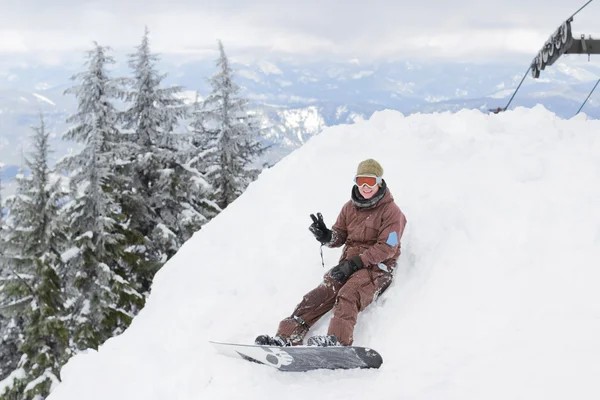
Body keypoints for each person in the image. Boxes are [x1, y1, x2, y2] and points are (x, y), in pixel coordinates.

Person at [255, 159, 407, 347]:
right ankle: (287, 336)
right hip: (349, 265)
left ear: (379, 182)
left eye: (370, 181)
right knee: (321, 292)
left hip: (378, 269)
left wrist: (356, 263)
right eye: (361, 182)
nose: (366, 187)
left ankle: (337, 341)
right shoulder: (349, 207)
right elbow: (340, 235)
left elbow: (387, 247)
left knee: (349, 293)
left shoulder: (393, 213)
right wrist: (327, 236)